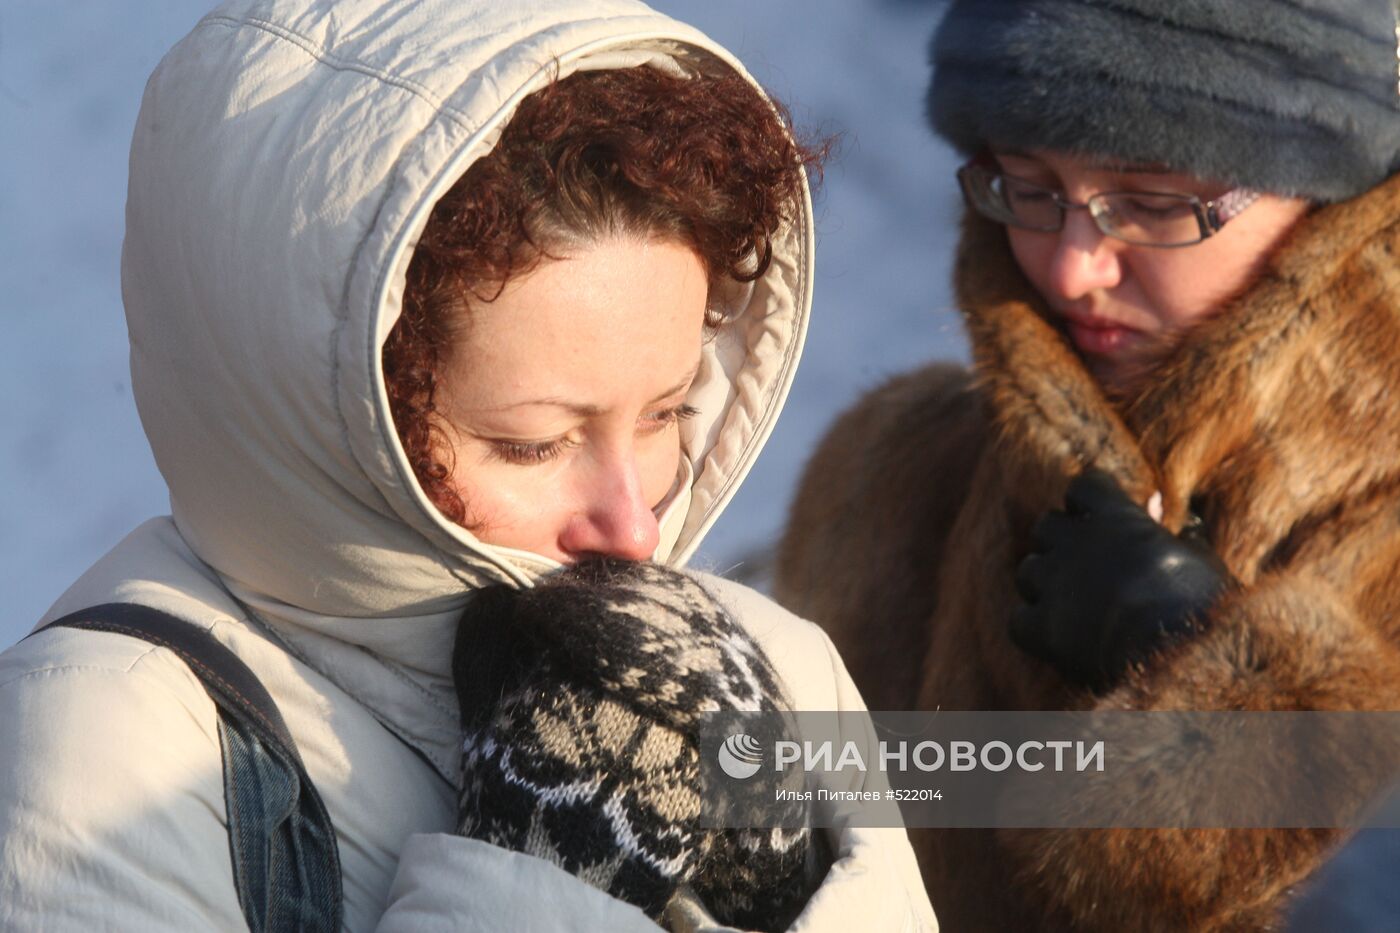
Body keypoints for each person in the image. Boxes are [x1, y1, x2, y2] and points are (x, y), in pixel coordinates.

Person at [0, 1, 938, 930]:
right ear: (342, 425)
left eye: (665, 412)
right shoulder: (112, 748)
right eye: (535, 443)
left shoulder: (768, 662)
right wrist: (540, 891)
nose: (638, 526)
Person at [775, 0, 1400, 930]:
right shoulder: (894, 481)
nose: (1072, 269)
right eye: (1027, 188)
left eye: (1149, 204)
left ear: (1325, 187)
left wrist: (1237, 707)